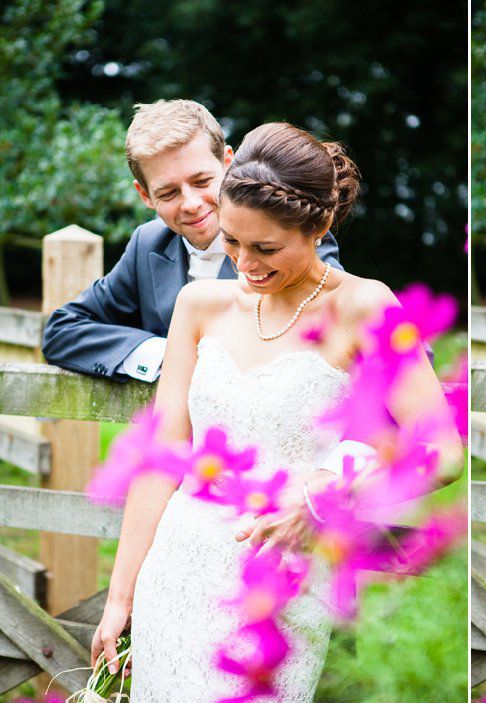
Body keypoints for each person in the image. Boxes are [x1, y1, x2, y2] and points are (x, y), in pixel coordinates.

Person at [89, 122, 461, 701]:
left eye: (265, 248)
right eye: (232, 241)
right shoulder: (199, 305)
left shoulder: (364, 305)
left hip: (281, 578)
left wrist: (322, 496)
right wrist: (121, 598)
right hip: (180, 566)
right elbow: (164, 456)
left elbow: (441, 450)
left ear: (319, 226)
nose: (245, 264)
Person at [40, 99, 341, 383]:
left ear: (228, 163)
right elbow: (62, 331)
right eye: (168, 193)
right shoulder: (148, 243)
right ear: (145, 195)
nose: (191, 204)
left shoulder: (289, 235)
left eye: (202, 181)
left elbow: (321, 340)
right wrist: (167, 356)